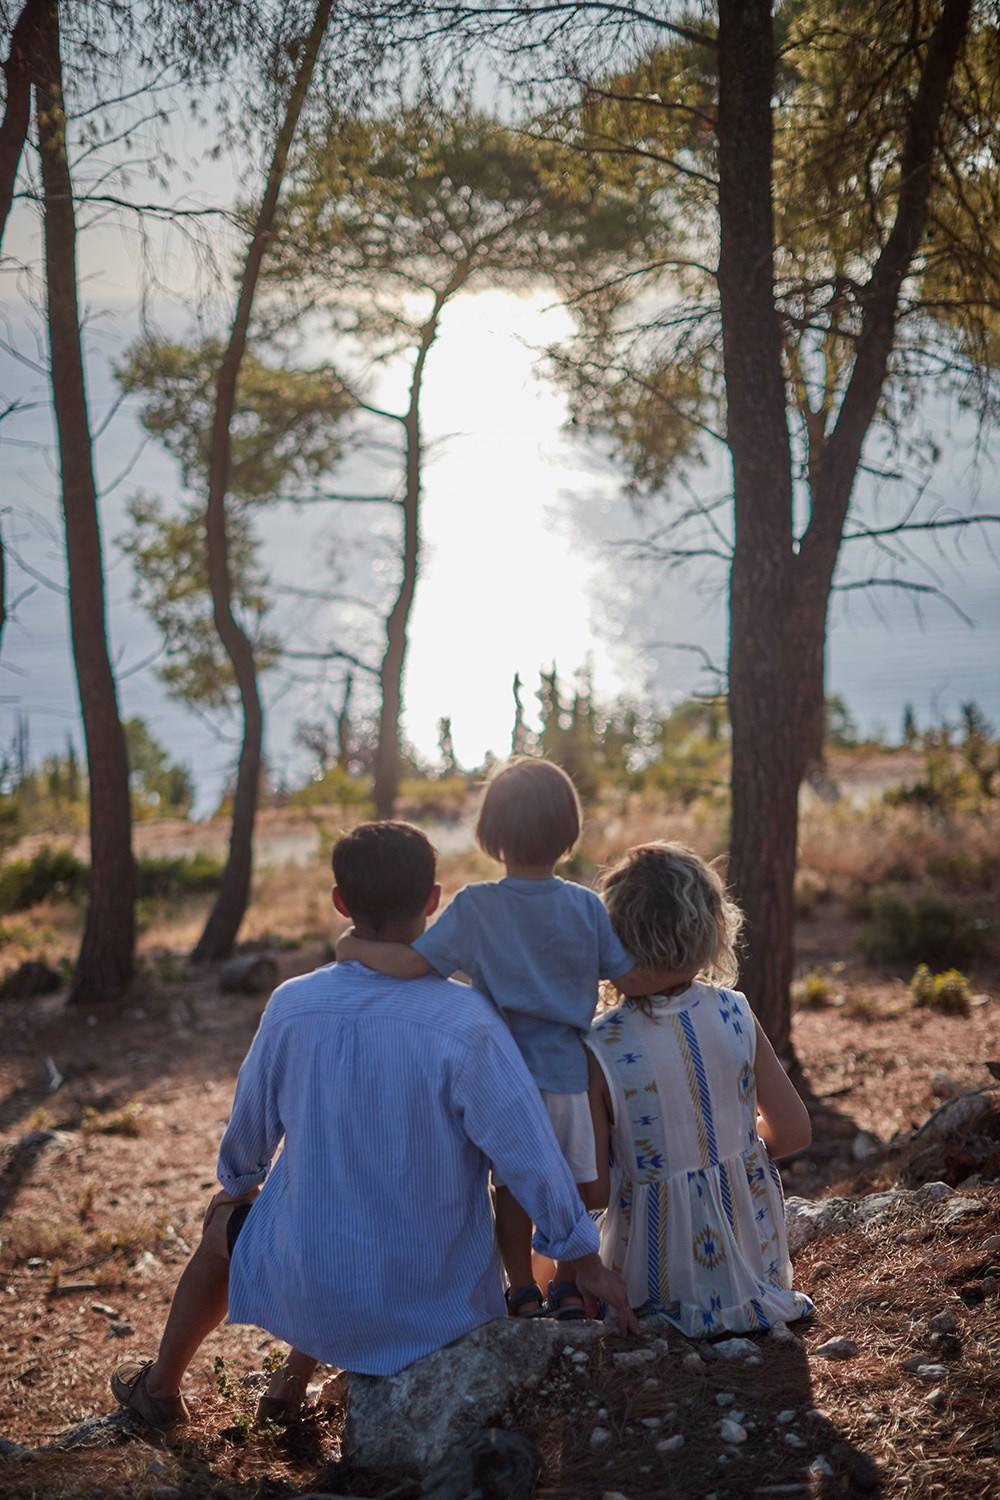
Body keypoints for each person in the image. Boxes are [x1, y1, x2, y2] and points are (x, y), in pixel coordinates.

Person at [111, 821, 639, 1429]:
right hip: (437, 1305)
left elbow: (248, 1135)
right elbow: (530, 1157)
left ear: (341, 902)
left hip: (314, 1287)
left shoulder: (291, 1004)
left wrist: (237, 1184)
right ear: (433, 901)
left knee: (234, 1227)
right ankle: (289, 1384)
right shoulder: (468, 1021)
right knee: (371, 1219)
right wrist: (585, 1257)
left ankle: (160, 1391)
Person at [336, 758, 677, 1321]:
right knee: (572, 1184)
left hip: (498, 1077)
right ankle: (568, 1285)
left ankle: (520, 1287)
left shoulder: (475, 906)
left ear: (489, 834)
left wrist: (354, 948)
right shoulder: (584, 906)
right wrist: (687, 975)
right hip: (567, 1074)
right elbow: (632, 979)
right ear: (568, 832)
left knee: (511, 1185)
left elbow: (413, 965)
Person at [585, 841, 815, 1336]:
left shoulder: (601, 1044)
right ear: (711, 928)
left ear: (614, 937)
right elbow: (794, 1131)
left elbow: (595, 1189)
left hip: (655, 1278)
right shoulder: (736, 1010)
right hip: (755, 1273)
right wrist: (732, 1152)